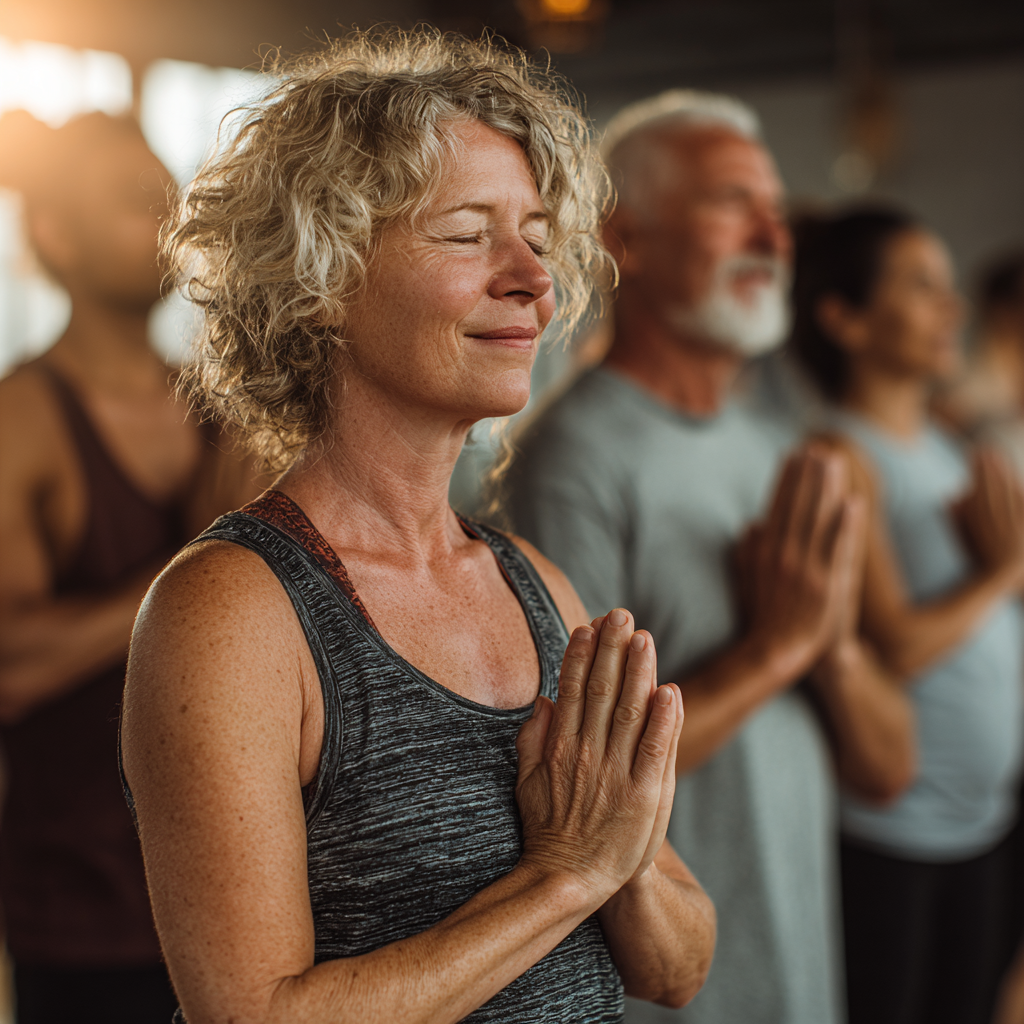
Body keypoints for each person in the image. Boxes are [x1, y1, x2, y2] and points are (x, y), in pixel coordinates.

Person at [120, 31, 716, 1024]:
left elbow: (678, 964)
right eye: (468, 233)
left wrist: (624, 864)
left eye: (534, 231)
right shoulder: (231, 610)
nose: (532, 277)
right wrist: (565, 877)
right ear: (321, 275)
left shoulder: (534, 585)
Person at [504, 90, 914, 1024]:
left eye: (777, 209)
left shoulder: (781, 444)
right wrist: (774, 649)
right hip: (673, 985)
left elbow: (889, 768)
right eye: (734, 201)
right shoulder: (575, 454)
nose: (772, 232)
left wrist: (831, 648)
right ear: (628, 238)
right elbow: (569, 777)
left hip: (797, 961)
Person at [0, 112, 261, 1022]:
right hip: (89, 908)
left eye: (168, 197)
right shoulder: (23, 422)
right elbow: (11, 666)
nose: (165, 219)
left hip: (243, 893)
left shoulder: (223, 413)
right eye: (131, 203)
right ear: (54, 235)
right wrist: (197, 560)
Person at [789, 205, 1024, 1024]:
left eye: (948, 286)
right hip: (899, 832)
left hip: (987, 821)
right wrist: (1002, 571)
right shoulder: (841, 454)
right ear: (844, 319)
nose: (951, 307)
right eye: (922, 287)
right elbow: (893, 644)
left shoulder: (950, 443)